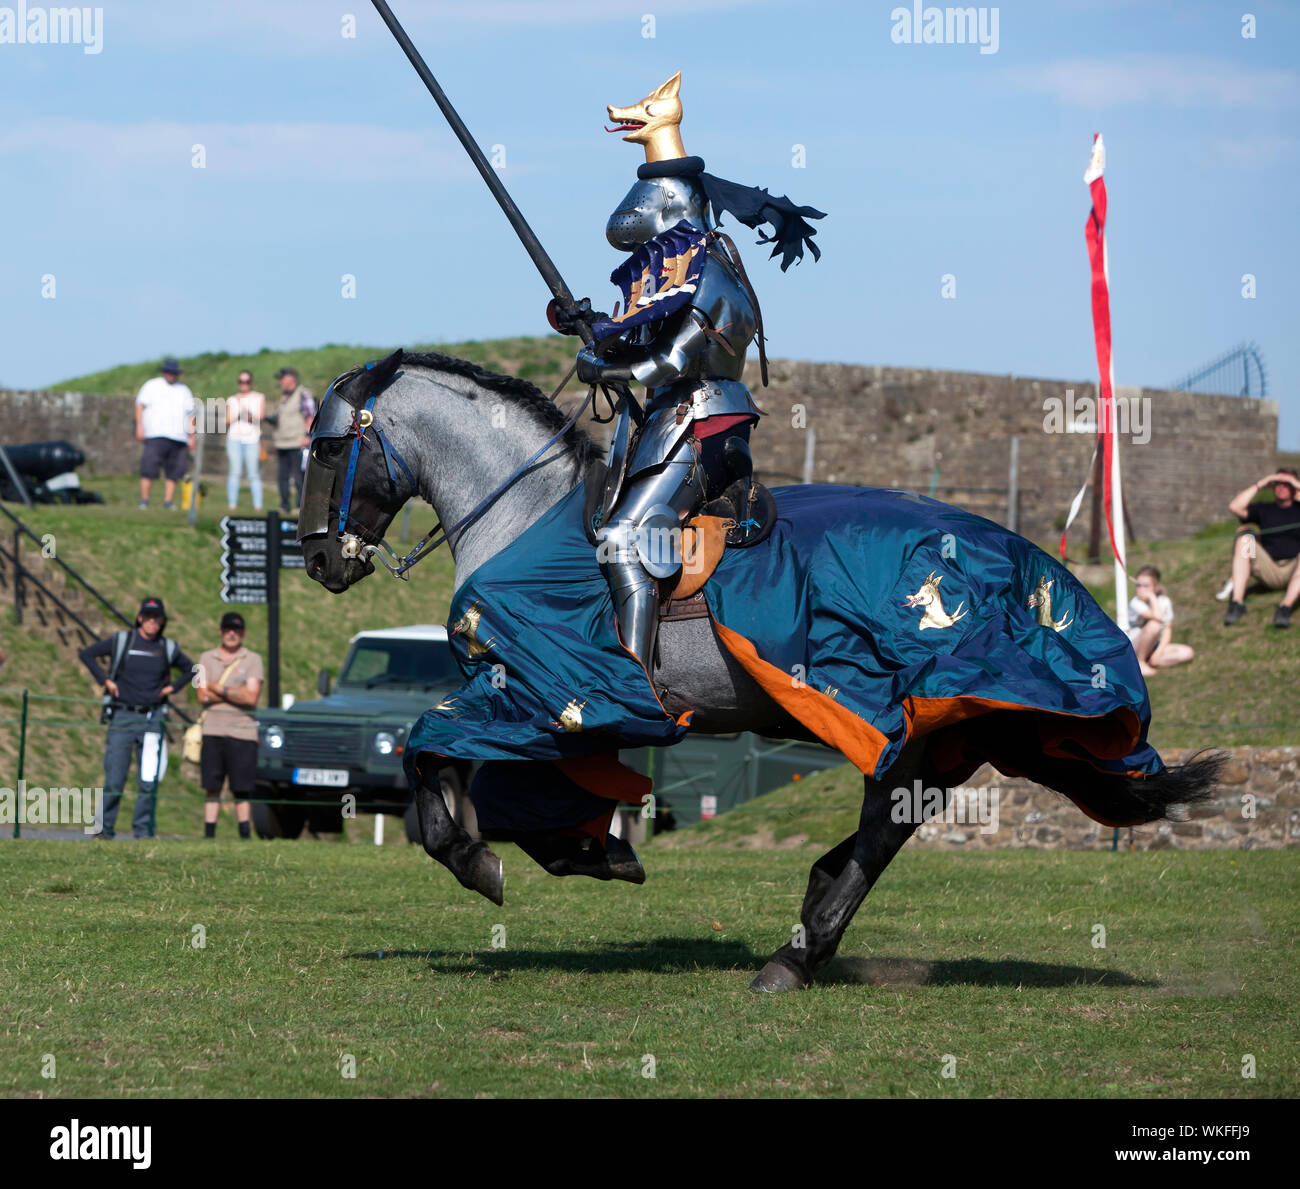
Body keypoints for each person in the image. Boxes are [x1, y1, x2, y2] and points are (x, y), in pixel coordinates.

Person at [561, 71, 824, 670]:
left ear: (673, 202)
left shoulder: (711, 277)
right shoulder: (671, 274)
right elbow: (638, 342)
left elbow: (668, 361)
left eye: (652, 203)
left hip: (701, 422)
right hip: (660, 425)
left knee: (627, 539)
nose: (639, 215)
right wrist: (591, 332)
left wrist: (608, 365)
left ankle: (635, 679)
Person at [79, 597, 194, 839]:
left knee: (148, 780)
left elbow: (191, 669)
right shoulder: (123, 641)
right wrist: (105, 681)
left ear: (162, 621)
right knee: (114, 778)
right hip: (122, 717)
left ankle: (143, 832)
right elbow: (87, 654)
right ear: (140, 618)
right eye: (148, 616)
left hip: (152, 720)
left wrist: (171, 688)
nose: (152, 621)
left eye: (157, 617)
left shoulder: (167, 648)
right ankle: (102, 829)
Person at [196, 612, 264, 839]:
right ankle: (209, 834)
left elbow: (251, 698)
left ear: (243, 633)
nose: (231, 634)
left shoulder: (253, 659)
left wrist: (217, 688)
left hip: (242, 733)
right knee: (211, 786)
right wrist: (237, 692)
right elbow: (201, 696)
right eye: (227, 629)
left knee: (242, 788)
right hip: (212, 730)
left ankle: (244, 835)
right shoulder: (205, 658)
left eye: (236, 630)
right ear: (220, 631)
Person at [1223, 467, 1300, 628]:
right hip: (1268, 568)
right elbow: (1235, 507)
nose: (1282, 487)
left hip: (1295, 570)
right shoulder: (1264, 509)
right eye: (1278, 483)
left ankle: (1285, 607)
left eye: (1287, 484)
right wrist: (1260, 484)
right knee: (1245, 537)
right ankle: (1237, 603)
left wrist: (1297, 484)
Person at [135, 359, 196, 510]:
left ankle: (168, 501)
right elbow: (140, 406)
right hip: (156, 434)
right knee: (148, 468)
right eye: (168, 372)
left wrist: (192, 436)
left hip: (178, 437)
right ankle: (144, 500)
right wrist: (139, 426)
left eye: (173, 372)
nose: (170, 375)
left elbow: (191, 415)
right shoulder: (151, 385)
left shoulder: (184, 390)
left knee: (174, 472)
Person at [1126, 566, 1193, 676]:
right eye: (1138, 585)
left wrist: (1159, 651)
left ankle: (1153, 660)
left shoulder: (1164, 601)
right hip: (1133, 646)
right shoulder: (1135, 602)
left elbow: (1167, 628)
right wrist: (1152, 597)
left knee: (1187, 652)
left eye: (1146, 586)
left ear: (1156, 587)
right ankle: (1140, 663)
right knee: (1154, 625)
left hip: (1153, 645)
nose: (1141, 589)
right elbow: (1158, 617)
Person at [268, 366, 315, 514]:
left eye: (282, 378)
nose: (280, 382)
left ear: (291, 379)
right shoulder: (285, 397)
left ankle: (299, 507)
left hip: (297, 443)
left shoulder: (303, 395)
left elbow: (310, 417)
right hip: (283, 443)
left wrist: (307, 436)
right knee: (282, 477)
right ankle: (284, 505)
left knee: (298, 477)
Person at [225, 370, 265, 511]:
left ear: (251, 382)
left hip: (252, 439)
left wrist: (249, 415)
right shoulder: (232, 399)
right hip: (234, 439)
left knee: (253, 473)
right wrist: (238, 414)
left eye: (247, 381)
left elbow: (261, 416)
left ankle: (258, 505)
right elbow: (227, 420)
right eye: (241, 381)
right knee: (234, 472)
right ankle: (232, 504)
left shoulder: (259, 397)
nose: (244, 384)